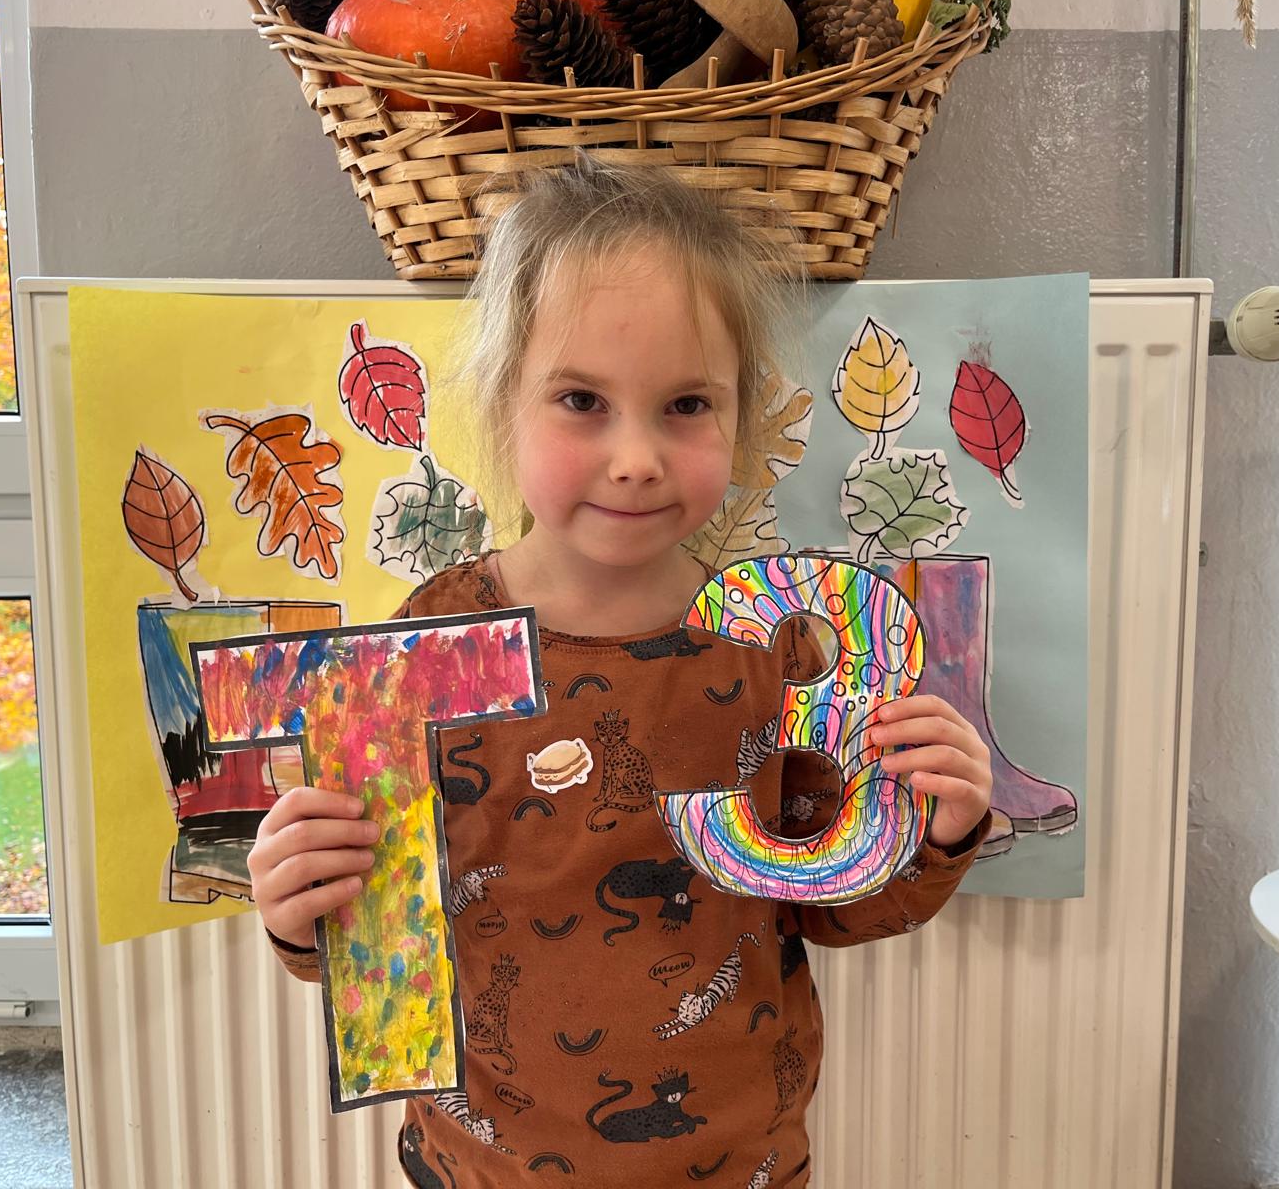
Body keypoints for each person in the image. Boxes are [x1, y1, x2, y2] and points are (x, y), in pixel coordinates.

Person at [248, 150, 993, 1188]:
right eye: (581, 400)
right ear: (505, 404)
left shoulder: (773, 646)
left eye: (685, 405)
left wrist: (940, 829)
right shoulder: (430, 641)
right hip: (480, 1169)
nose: (636, 458)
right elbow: (375, 937)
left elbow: (833, 904)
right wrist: (297, 909)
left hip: (734, 1163)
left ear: (739, 418)